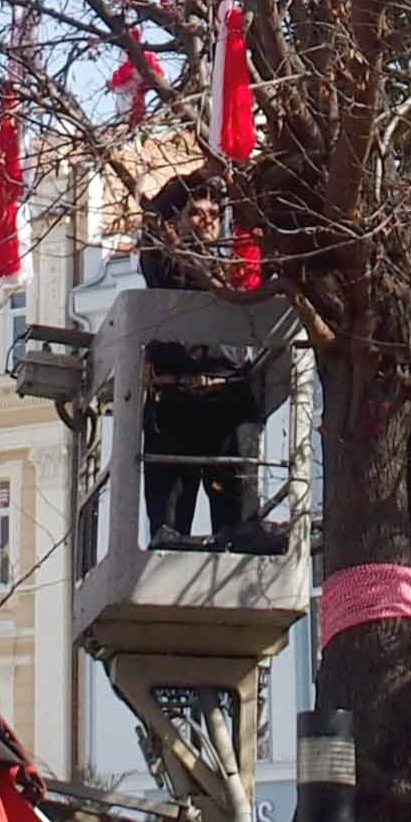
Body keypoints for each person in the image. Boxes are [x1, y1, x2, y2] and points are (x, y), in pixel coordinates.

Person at [132, 173, 264, 549]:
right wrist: (203, 174)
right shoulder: (163, 263)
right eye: (195, 212)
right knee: (170, 524)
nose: (207, 220)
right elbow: (154, 217)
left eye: (214, 212)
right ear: (177, 221)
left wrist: (237, 189)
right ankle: (172, 536)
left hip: (228, 396)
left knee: (239, 519)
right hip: (173, 399)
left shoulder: (233, 270)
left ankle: (241, 532)